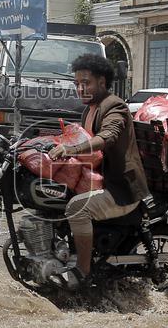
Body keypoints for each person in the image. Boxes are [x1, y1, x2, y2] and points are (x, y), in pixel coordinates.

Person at [47, 55, 150, 290]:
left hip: (121, 187)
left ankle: (82, 272)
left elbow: (108, 136)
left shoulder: (114, 106)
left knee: (76, 208)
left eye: (86, 83)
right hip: (100, 181)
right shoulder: (90, 109)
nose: (80, 89)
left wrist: (71, 150)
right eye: (77, 84)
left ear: (102, 82)